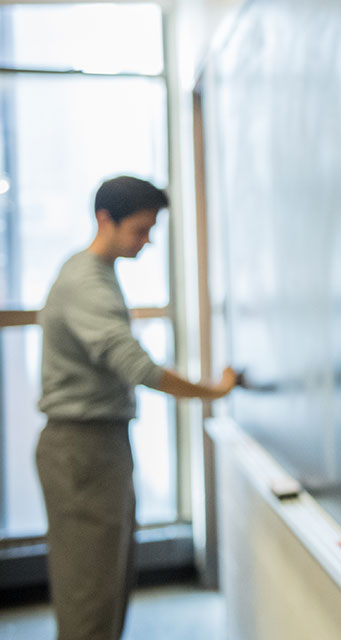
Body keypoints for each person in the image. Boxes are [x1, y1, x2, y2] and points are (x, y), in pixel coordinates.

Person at [34, 175, 237, 640]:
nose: (147, 242)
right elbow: (138, 367)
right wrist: (213, 391)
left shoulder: (97, 273)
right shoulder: (86, 281)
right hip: (82, 449)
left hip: (97, 446)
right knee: (90, 599)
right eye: (140, 230)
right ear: (105, 219)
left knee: (106, 588)